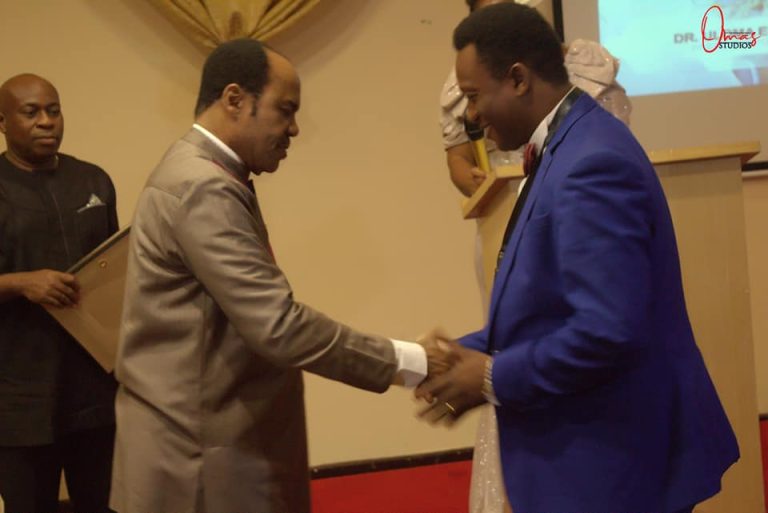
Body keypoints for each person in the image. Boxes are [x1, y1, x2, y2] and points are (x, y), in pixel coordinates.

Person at [417, 4, 739, 513]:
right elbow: (549, 310)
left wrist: (490, 376)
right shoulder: (568, 146)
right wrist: (455, 355)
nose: (470, 117)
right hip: (600, 462)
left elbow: (606, 331)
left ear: (518, 79)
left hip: (617, 466)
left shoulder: (592, 162)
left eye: (474, 96)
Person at [110, 39, 446, 513]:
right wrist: (412, 361)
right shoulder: (202, 186)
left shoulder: (201, 172)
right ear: (234, 99)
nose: (294, 128)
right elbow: (279, 326)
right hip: (202, 463)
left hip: (201, 446)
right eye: (285, 110)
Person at [0, 74, 118, 513]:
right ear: (2, 122)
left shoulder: (93, 180)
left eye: (53, 110)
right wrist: (21, 282)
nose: (46, 121)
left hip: (95, 390)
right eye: (31, 113)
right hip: (20, 399)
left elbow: (114, 268)